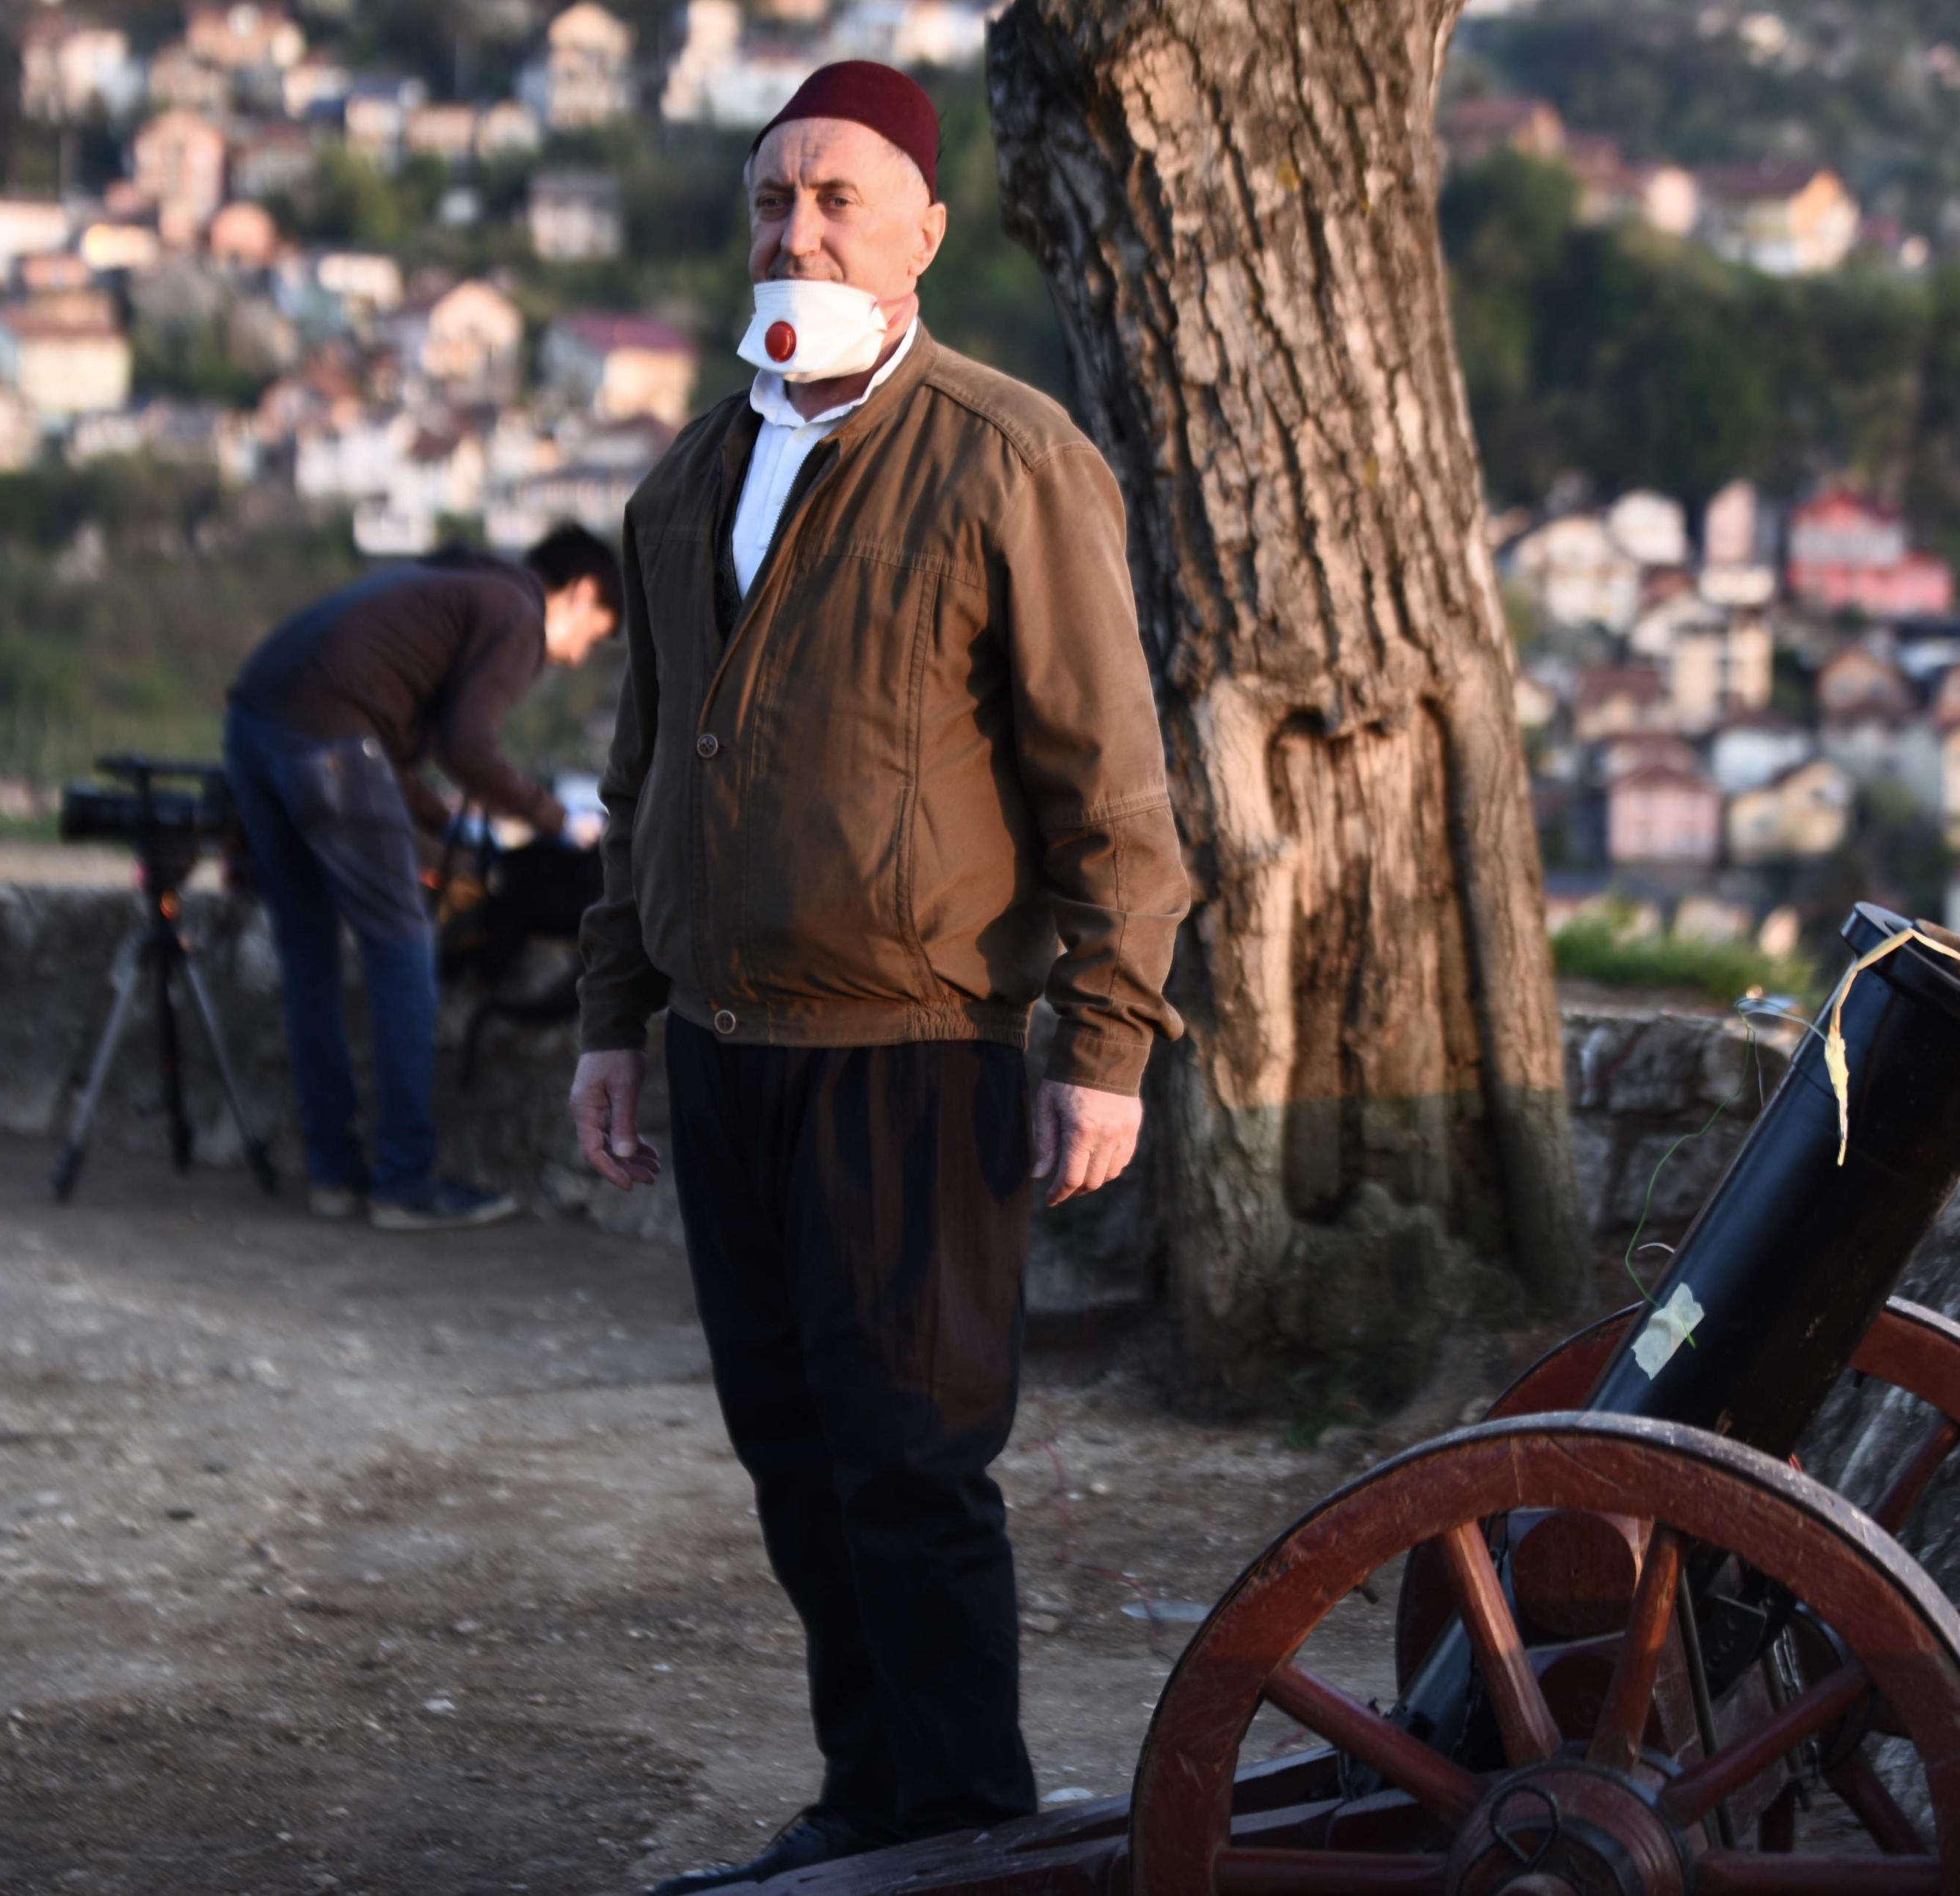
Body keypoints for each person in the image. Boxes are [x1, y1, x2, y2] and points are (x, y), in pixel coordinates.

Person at [568, 62, 1187, 1893]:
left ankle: (969, 1828)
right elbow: (640, 776)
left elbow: (1111, 783)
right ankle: (865, 1806)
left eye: (840, 198)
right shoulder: (688, 479)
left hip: (910, 1053)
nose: (800, 229)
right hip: (722, 1047)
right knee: (791, 1456)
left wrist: (1103, 1043)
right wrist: (615, 1019)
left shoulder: (1006, 456)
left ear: (921, 230)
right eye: (772, 199)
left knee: (913, 1466)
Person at [227, 528, 621, 1232]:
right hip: (328, 739)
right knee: (404, 947)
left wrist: (449, 822)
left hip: (257, 722)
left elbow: (391, 727)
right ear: (581, 593)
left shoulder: (454, 583)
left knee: (309, 954)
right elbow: (466, 746)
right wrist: (558, 820)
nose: (579, 653)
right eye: (594, 634)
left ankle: (334, 1173)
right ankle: (404, 1181)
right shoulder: (518, 614)